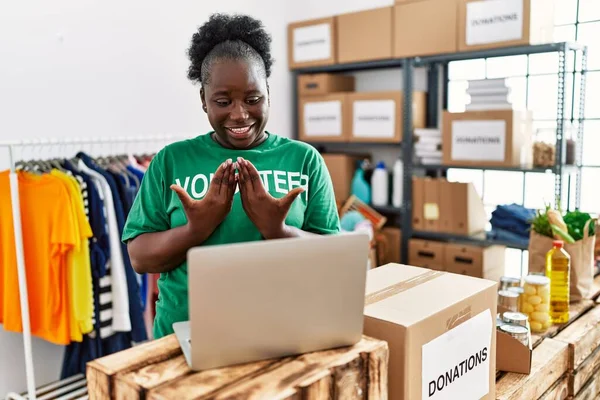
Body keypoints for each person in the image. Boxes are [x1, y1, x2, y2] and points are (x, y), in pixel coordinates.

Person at [122, 13, 341, 339]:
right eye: (223, 101)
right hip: (184, 338)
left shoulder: (304, 159)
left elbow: (335, 261)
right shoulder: (171, 160)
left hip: (283, 333)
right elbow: (140, 258)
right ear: (203, 101)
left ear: (268, 91)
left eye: (253, 99)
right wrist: (197, 228)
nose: (240, 115)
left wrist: (277, 230)